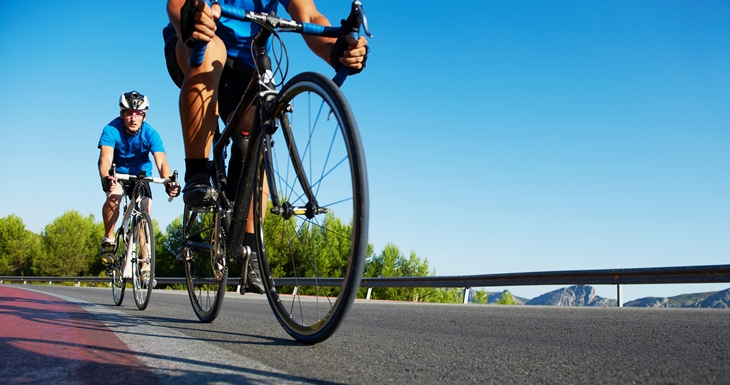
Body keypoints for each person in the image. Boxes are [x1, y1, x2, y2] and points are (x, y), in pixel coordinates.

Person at [163, 0, 369, 294]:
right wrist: (190, 20)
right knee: (212, 49)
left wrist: (340, 50)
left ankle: (249, 246)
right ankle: (197, 171)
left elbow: (308, 16)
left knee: (260, 124)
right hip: (194, 42)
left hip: (247, 61)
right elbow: (177, 3)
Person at [98, 91, 180, 282]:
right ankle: (109, 239)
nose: (133, 117)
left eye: (138, 113)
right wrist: (106, 177)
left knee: (145, 209)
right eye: (129, 113)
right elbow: (105, 158)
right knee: (114, 196)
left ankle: (145, 264)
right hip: (117, 173)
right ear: (122, 114)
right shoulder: (111, 129)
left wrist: (169, 181)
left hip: (141, 175)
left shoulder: (151, 133)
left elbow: (161, 162)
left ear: (144, 115)